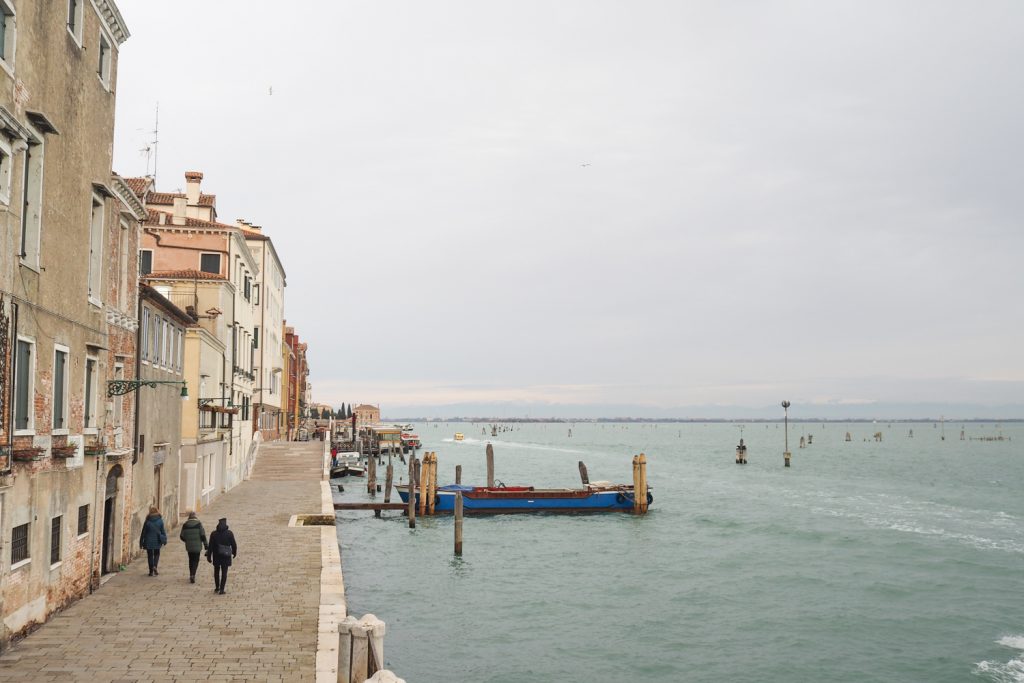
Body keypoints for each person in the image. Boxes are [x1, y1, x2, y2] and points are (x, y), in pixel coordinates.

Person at [206, 517, 237, 594]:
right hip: (226, 555)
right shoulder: (229, 533)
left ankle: (217, 587)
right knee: (224, 572)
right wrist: (234, 552)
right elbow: (234, 545)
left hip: (216, 555)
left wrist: (209, 556)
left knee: (216, 571)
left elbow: (210, 546)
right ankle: (222, 589)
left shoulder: (214, 534)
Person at [178, 511, 208, 584]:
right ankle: (193, 574)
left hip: (189, 547)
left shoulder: (185, 525)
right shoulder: (199, 524)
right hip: (197, 547)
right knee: (196, 560)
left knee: (190, 560)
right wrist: (206, 545)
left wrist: (187, 541)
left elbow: (181, 536)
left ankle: (191, 573)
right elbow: (203, 536)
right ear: (195, 517)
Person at [139, 506, 168, 576]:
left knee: (150, 555)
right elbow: (163, 531)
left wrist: (141, 542)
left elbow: (143, 533)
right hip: (157, 540)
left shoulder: (147, 521)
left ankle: (151, 571)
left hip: (148, 540)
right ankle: (155, 566)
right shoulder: (160, 521)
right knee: (157, 554)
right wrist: (164, 539)